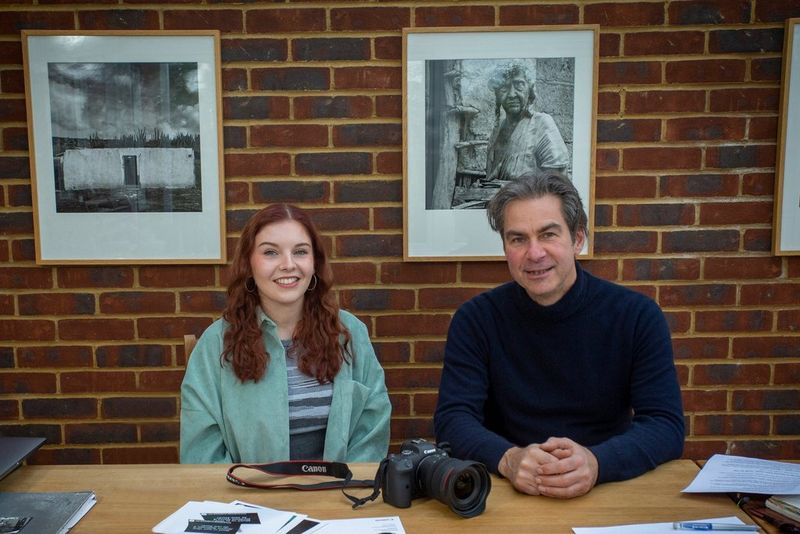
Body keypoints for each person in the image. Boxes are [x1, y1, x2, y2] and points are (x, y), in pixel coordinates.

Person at [434, 172, 685, 499]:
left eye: (548, 234)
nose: (534, 253)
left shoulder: (636, 316)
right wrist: (509, 459)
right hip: (507, 492)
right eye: (518, 239)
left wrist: (597, 462)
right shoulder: (476, 320)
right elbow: (452, 420)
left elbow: (665, 425)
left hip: (610, 490)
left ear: (577, 238)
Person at [181, 204, 391, 463]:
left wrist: (342, 491)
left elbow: (372, 427)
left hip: (339, 495)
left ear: (315, 262)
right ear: (249, 262)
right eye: (271, 252)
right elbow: (201, 451)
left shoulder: (349, 334)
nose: (288, 265)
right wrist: (247, 498)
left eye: (300, 252)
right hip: (246, 498)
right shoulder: (215, 344)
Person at [485, 61, 570, 182]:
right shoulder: (497, 132)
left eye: (519, 85)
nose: (511, 94)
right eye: (504, 87)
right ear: (497, 95)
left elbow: (558, 184)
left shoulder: (542, 124)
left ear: (529, 90)